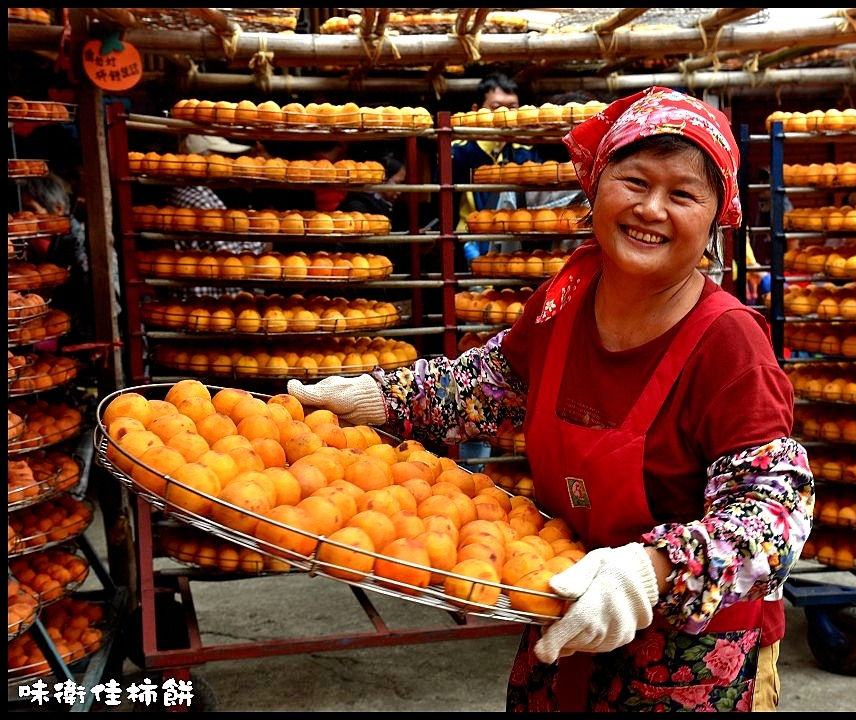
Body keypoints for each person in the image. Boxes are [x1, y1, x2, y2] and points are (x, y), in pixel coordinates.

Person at [288, 86, 815, 712]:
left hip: (686, 651)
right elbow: (497, 385)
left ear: (715, 217)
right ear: (595, 189)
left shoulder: (727, 342)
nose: (651, 209)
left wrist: (650, 571)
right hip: (563, 604)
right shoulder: (567, 299)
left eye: (682, 194)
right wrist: (379, 397)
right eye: (635, 181)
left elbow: (776, 516)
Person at [451, 72, 544, 271]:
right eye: (496, 108)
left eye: (512, 108)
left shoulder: (526, 152)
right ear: (476, 110)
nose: (506, 114)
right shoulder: (459, 151)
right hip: (470, 244)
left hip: (514, 246)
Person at [166, 134, 269, 295]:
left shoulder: (189, 191)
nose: (228, 162)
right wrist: (263, 235)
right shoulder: (199, 202)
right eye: (222, 156)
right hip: (209, 301)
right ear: (199, 161)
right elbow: (235, 260)